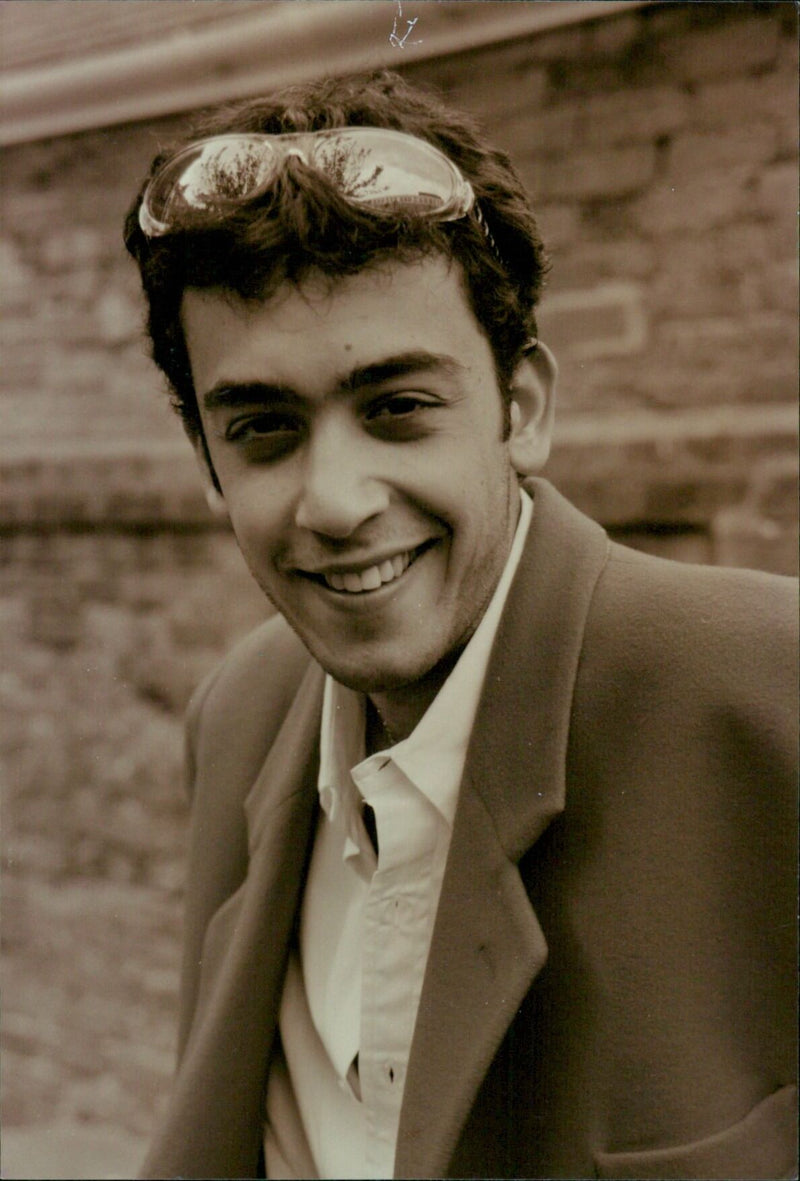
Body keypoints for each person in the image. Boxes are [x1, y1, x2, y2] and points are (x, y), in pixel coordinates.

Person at [124, 71, 797, 1180]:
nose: (334, 500)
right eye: (262, 429)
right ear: (207, 462)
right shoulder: (235, 716)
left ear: (521, 408)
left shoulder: (768, 694)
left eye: (397, 407)